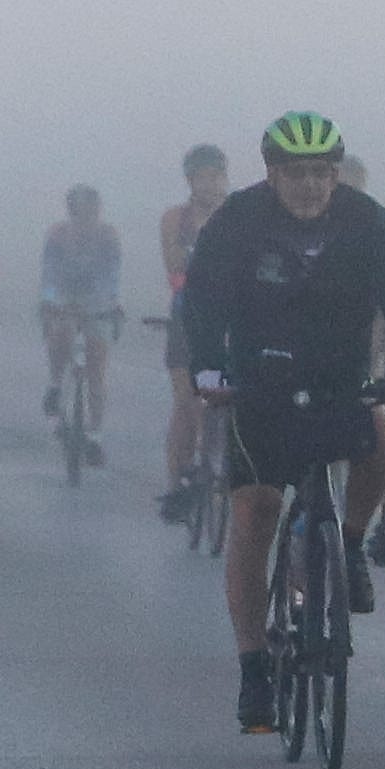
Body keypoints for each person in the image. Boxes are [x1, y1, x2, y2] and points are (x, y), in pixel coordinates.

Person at [178, 113, 385, 734]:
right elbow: (204, 298)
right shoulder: (237, 221)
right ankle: (254, 668)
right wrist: (208, 367)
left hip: (339, 379)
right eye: (297, 174)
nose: (311, 186)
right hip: (260, 385)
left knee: (380, 438)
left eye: (323, 172)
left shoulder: (366, 221)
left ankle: (348, 542)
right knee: (256, 511)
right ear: (271, 174)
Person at [158, 144, 232, 517]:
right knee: (187, 402)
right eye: (202, 177)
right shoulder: (177, 218)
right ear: (190, 181)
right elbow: (174, 268)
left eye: (216, 176)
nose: (210, 184)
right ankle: (176, 483)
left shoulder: (242, 215)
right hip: (189, 318)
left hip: (236, 319)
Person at [38, 184, 127, 459]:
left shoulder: (108, 236)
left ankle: (95, 436)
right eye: (80, 213)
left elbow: (112, 273)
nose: (86, 218)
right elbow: (49, 272)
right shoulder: (58, 234)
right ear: (71, 213)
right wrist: (50, 301)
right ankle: (55, 384)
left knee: (97, 368)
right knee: (61, 333)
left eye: (91, 212)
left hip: (96, 298)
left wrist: (109, 303)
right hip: (63, 294)